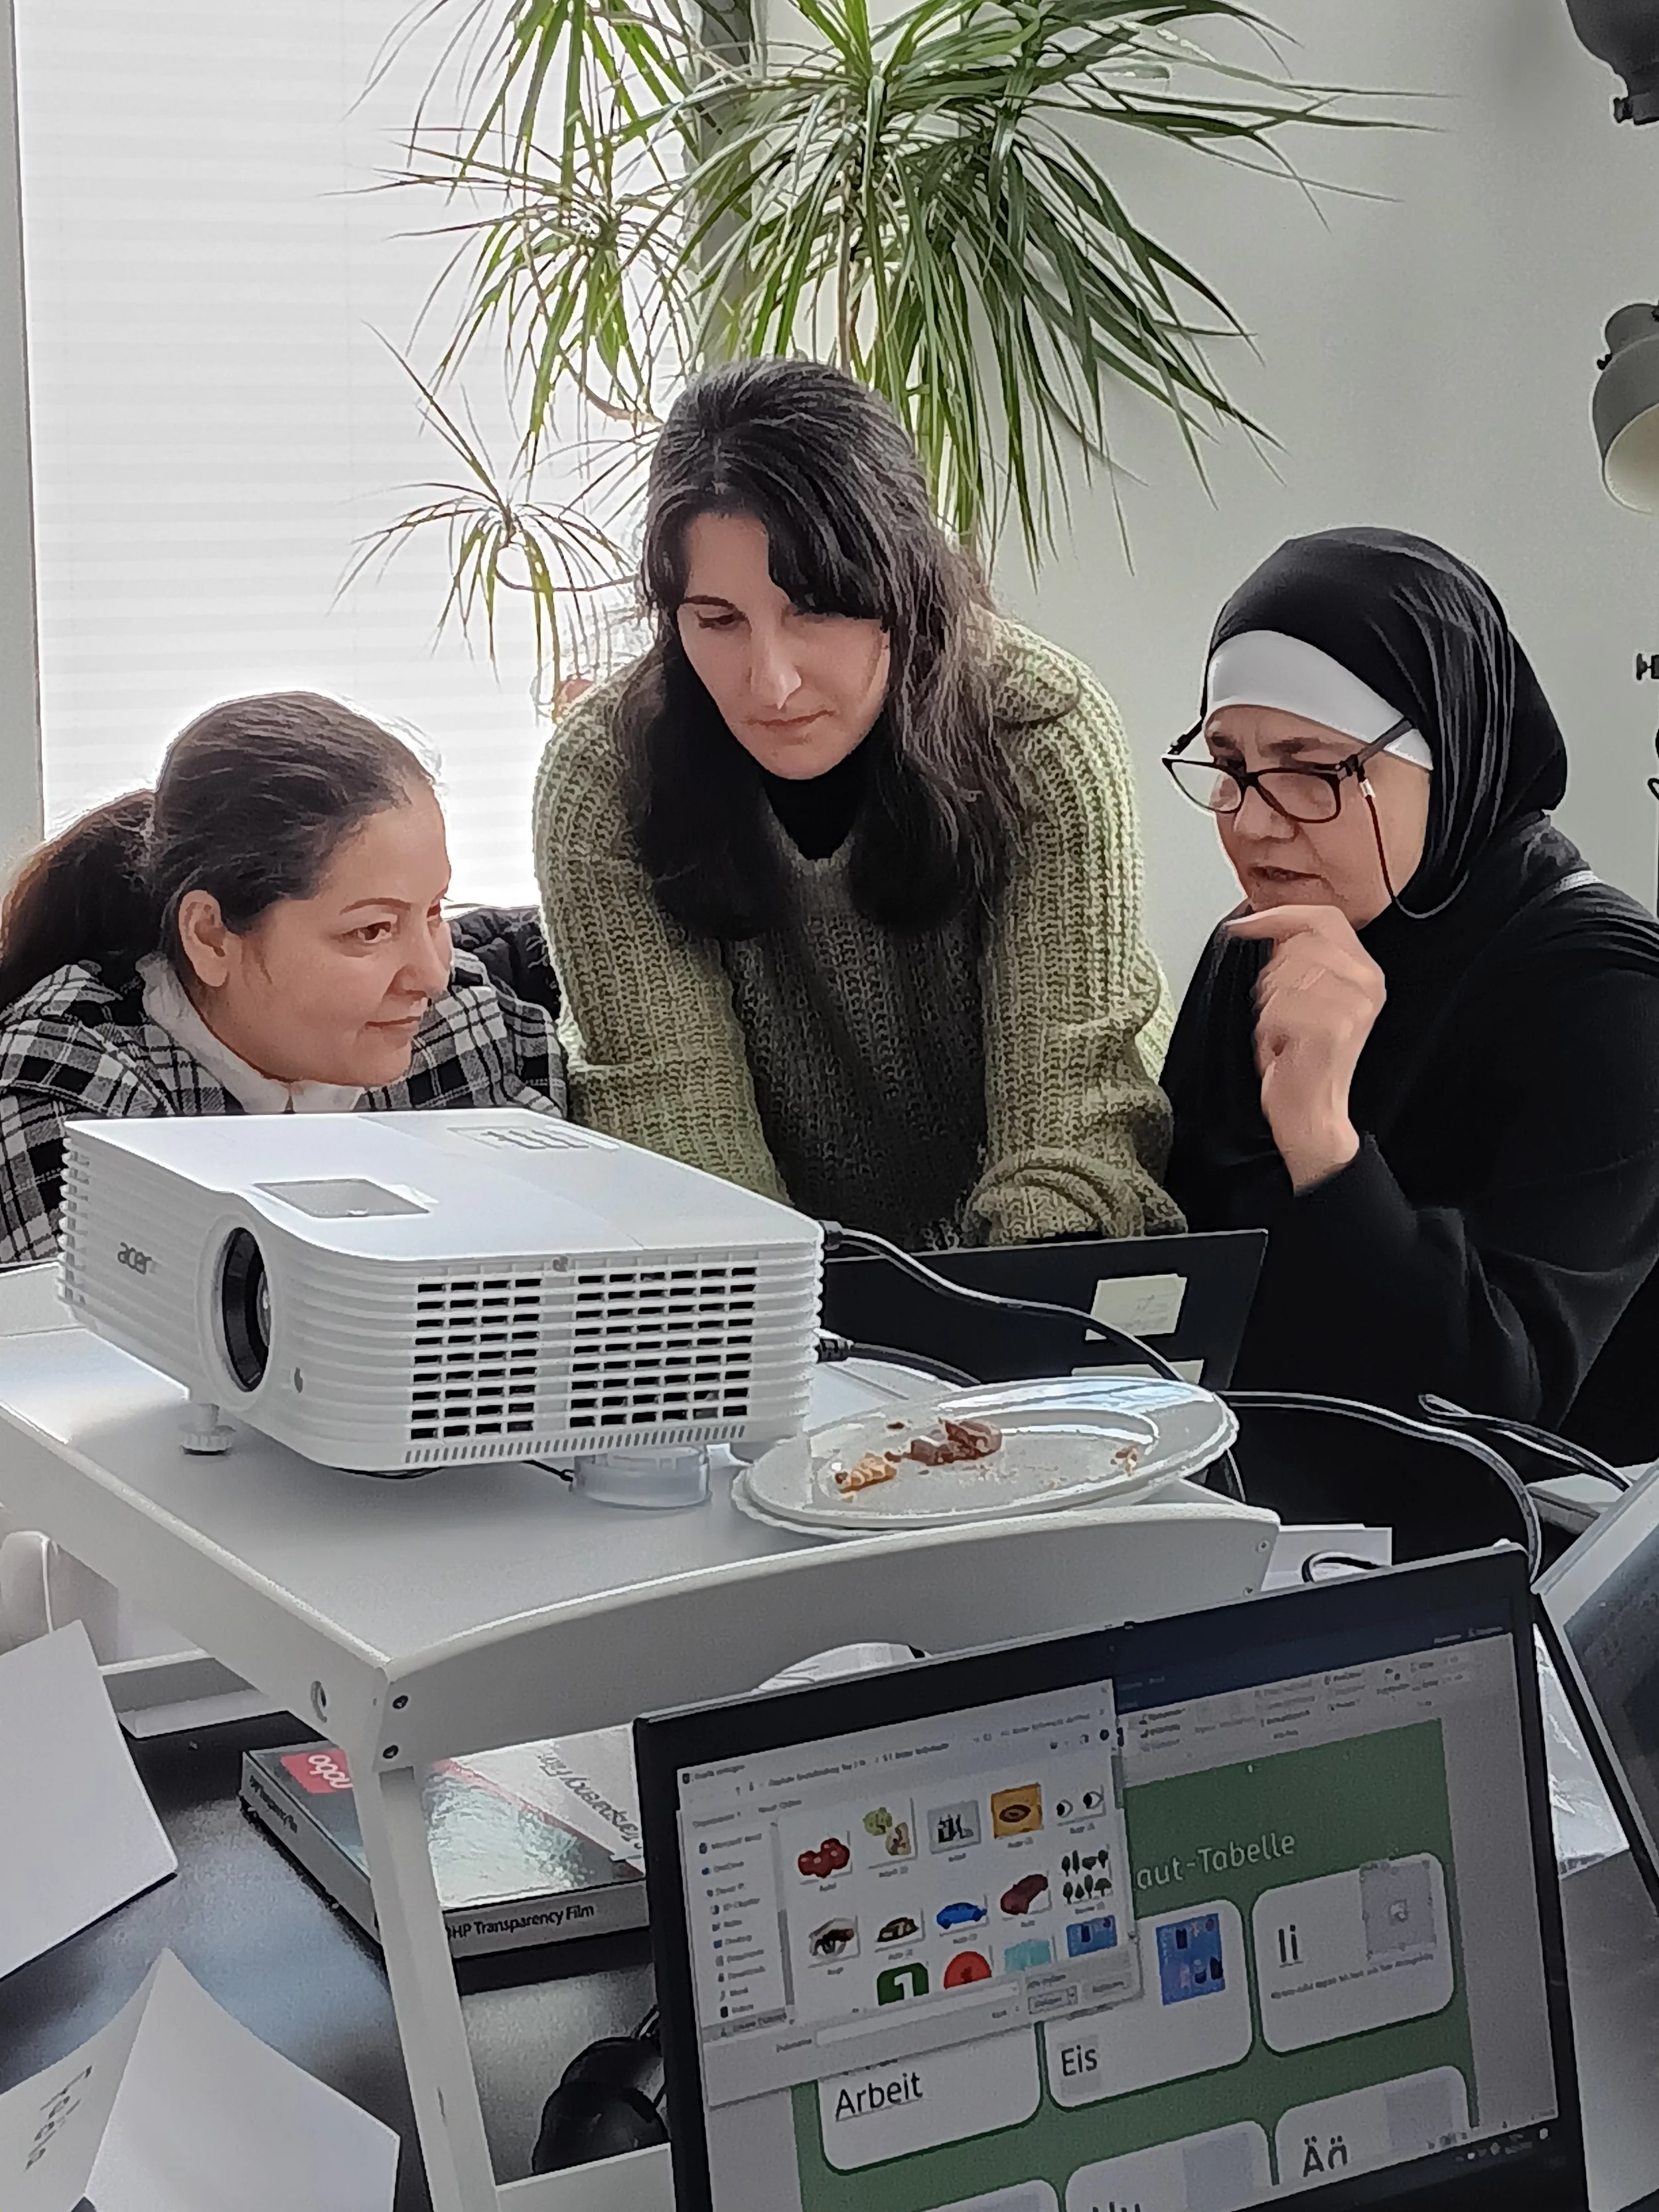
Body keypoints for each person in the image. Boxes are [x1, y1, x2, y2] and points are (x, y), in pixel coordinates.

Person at [534, 356, 1177, 1249]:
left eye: (818, 609)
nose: (771, 679)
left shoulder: (1043, 731)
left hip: (1030, 1285)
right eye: (717, 621)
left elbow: (1071, 1140)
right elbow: (681, 1156)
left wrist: (1000, 1329)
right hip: (775, 1299)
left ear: (905, 581)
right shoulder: (605, 773)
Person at [1161, 526, 1659, 1426]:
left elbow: (1495, 1400)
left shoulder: (1609, 991)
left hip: (1528, 1538)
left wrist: (1322, 1140)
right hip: (1246, 1499)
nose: (1255, 824)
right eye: (1231, 768)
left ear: (1454, 760)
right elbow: (1184, 1276)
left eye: (1313, 772)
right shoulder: (1258, 948)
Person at [0, 691, 565, 1267]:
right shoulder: (72, 1095)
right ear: (211, 936)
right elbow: (85, 1344)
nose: (432, 974)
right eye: (371, 931)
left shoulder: (471, 1035)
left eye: (433, 912)